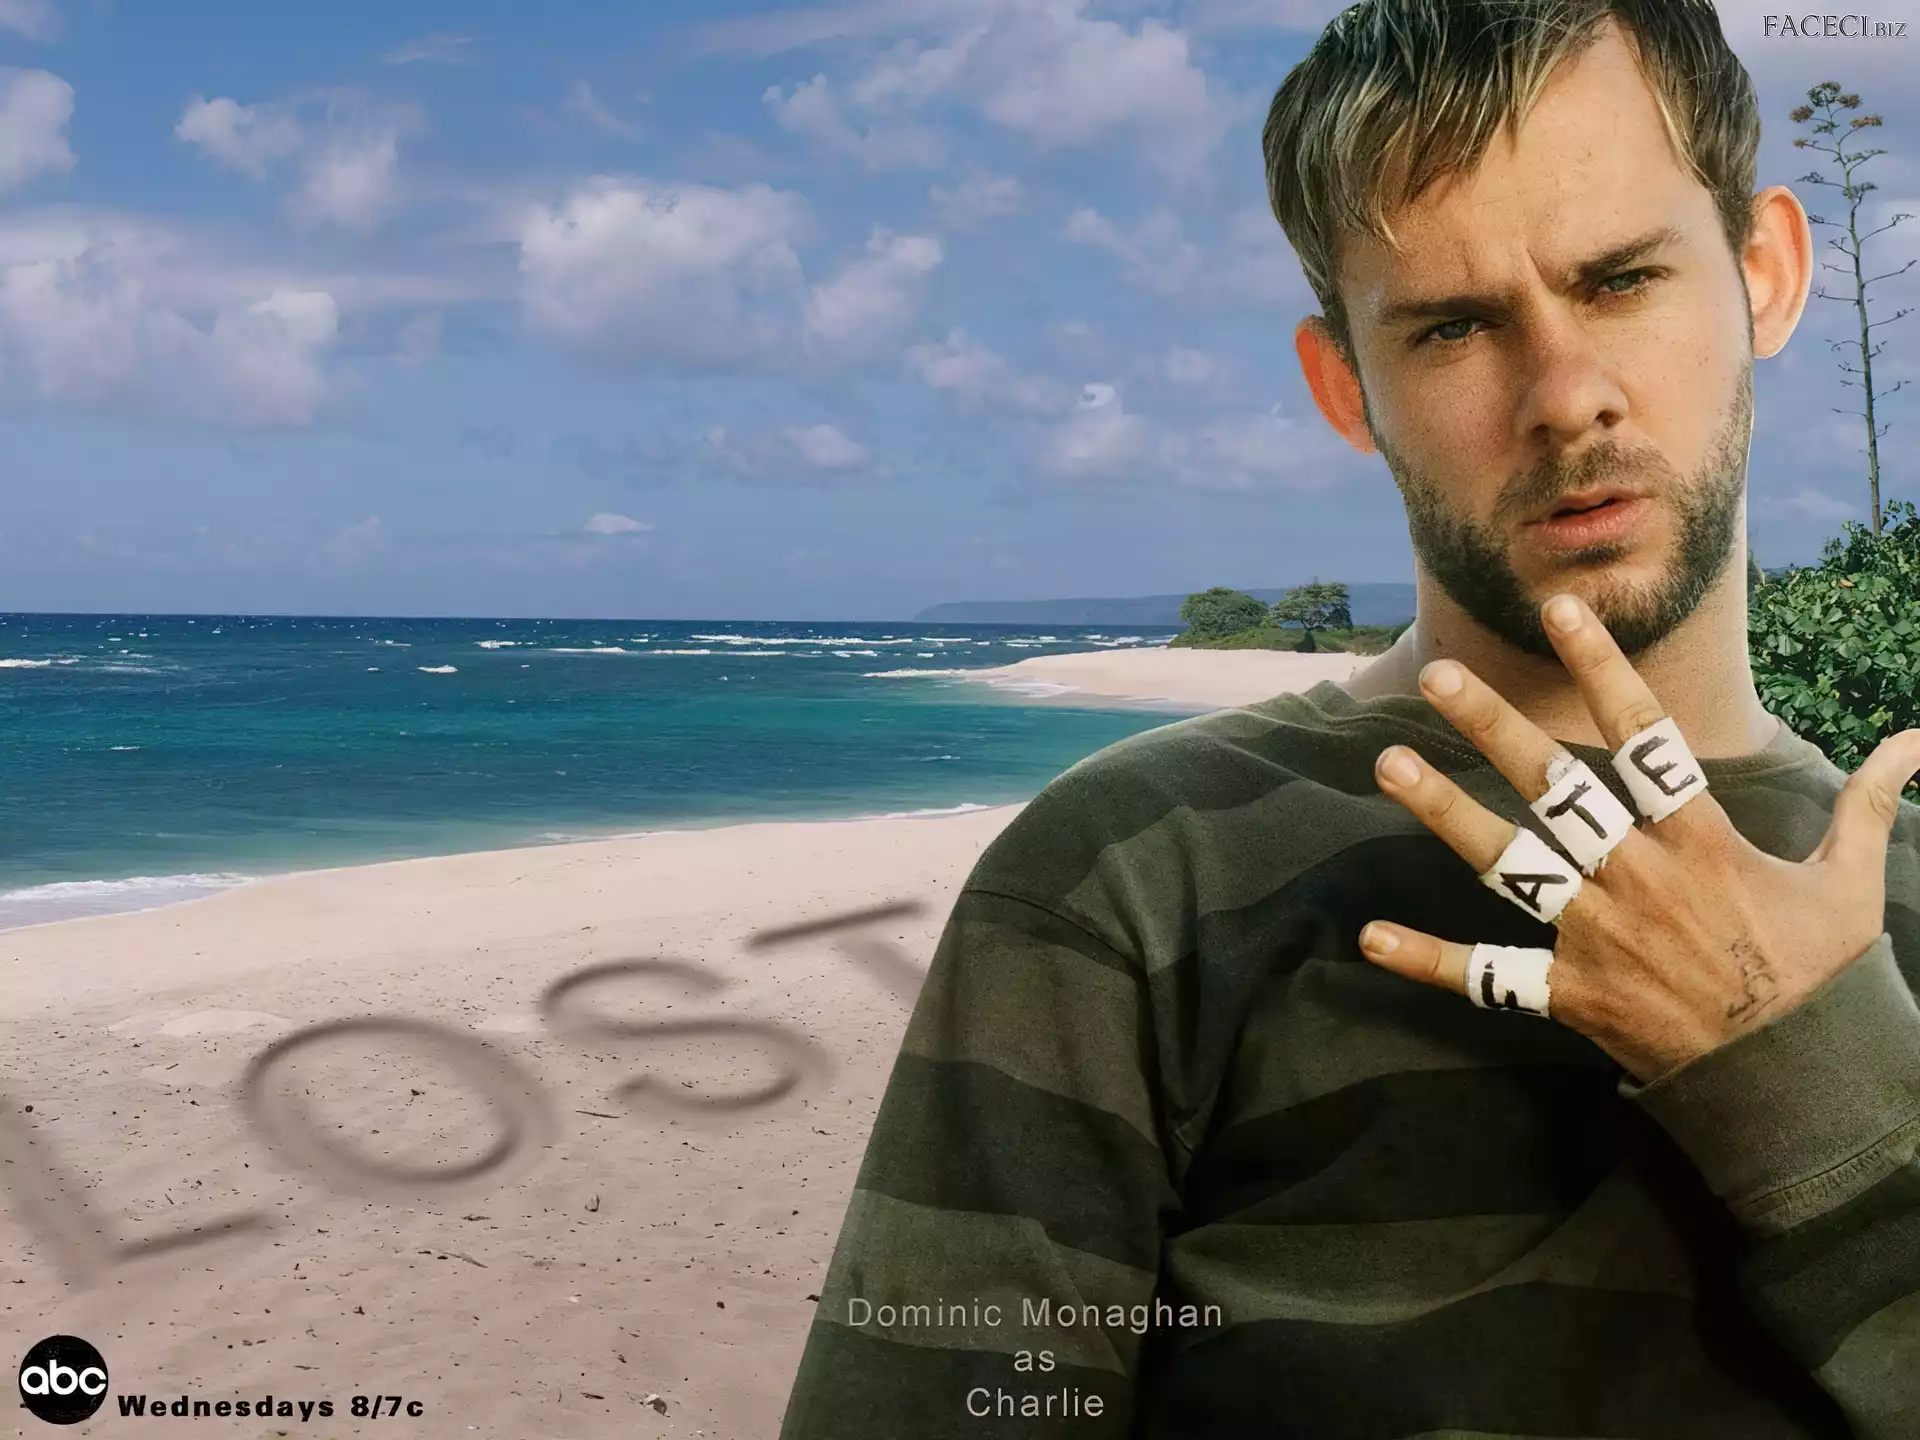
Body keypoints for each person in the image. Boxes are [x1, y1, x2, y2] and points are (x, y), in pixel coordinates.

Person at [777, 2, 1920, 1434]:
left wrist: (1810, 1075)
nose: (1567, 396)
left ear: (1766, 274)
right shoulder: (1136, 873)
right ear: (1345, 387)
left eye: (1623, 280)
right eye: (1454, 326)